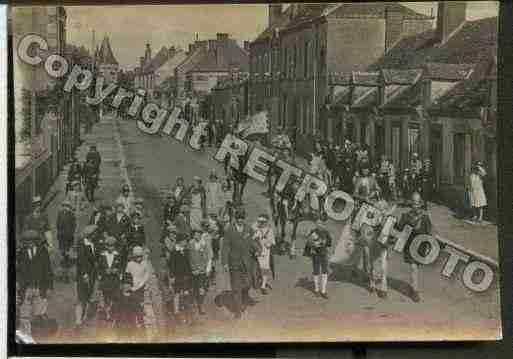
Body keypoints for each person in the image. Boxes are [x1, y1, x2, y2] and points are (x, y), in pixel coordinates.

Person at [221, 208, 262, 319]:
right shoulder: (230, 230)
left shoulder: (249, 229)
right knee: (236, 287)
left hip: (246, 262)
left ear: (244, 218)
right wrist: (224, 262)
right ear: (235, 218)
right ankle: (238, 310)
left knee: (248, 284)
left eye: (242, 218)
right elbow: (225, 246)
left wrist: (258, 250)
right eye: (238, 218)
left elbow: (255, 241)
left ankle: (244, 297)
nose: (240, 220)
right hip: (234, 263)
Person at [395, 192, 432, 302]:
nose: (415, 205)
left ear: (420, 204)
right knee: (413, 268)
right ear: (411, 204)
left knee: (416, 268)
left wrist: (429, 245)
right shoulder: (405, 216)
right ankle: (415, 291)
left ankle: (414, 286)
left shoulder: (425, 217)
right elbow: (399, 229)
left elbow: (429, 233)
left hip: (420, 246)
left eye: (417, 203)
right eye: (413, 203)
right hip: (409, 247)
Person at [17, 230, 54, 336]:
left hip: (40, 287)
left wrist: (49, 288)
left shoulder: (43, 251)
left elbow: (48, 270)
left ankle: (40, 333)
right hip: (26, 288)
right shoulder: (21, 253)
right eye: (26, 241)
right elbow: (18, 271)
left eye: (30, 241)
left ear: (35, 241)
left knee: (40, 313)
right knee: (24, 314)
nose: (28, 243)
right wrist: (19, 284)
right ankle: (26, 337)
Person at [75, 225, 98, 327]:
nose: (96, 235)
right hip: (83, 275)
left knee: (88, 296)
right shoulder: (82, 245)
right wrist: (84, 274)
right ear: (90, 235)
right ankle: (78, 320)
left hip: (92, 274)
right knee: (81, 297)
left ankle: (85, 318)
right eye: (95, 234)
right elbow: (81, 261)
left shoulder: (93, 244)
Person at [168, 234, 193, 323]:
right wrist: (172, 277)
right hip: (177, 276)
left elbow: (188, 264)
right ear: (180, 241)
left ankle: (186, 311)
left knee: (186, 293)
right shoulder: (174, 252)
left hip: (185, 276)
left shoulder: (186, 251)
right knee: (177, 293)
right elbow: (171, 266)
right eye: (184, 241)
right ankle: (176, 312)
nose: (186, 242)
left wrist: (189, 274)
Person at [188, 228, 213, 315]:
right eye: (195, 234)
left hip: (202, 270)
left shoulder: (204, 244)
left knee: (201, 288)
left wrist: (208, 269)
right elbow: (189, 258)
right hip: (193, 270)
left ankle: (201, 305)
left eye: (199, 234)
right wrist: (192, 269)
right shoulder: (190, 244)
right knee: (193, 288)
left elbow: (209, 257)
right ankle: (193, 304)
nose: (197, 236)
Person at [97, 235, 123, 321]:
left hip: (115, 280)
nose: (110, 248)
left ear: (115, 246)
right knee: (106, 297)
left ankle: (113, 312)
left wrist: (117, 270)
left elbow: (121, 267)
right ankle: (108, 313)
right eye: (108, 246)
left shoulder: (118, 255)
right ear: (106, 246)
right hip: (106, 280)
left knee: (115, 297)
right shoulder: (102, 255)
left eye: (112, 246)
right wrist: (104, 271)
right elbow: (99, 268)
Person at [124, 246, 151, 325]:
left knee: (140, 302)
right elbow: (127, 276)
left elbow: (146, 275)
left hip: (141, 286)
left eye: (140, 256)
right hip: (132, 286)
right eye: (137, 256)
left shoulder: (145, 264)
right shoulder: (130, 264)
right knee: (133, 303)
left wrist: (142, 284)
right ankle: (133, 320)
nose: (139, 258)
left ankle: (140, 320)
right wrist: (128, 287)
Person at [252, 214, 275, 294]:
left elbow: (272, 242)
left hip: (266, 252)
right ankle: (256, 282)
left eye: (263, 222)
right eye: (260, 222)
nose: (261, 223)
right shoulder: (255, 228)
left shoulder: (270, 230)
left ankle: (263, 285)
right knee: (256, 267)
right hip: (256, 251)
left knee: (265, 268)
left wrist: (268, 243)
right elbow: (251, 239)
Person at [56, 200, 76, 282]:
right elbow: (57, 224)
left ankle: (67, 274)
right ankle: (63, 271)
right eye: (64, 206)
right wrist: (59, 231)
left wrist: (71, 233)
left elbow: (74, 225)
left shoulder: (71, 215)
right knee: (62, 252)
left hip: (68, 237)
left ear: (69, 207)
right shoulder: (60, 214)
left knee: (67, 252)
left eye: (67, 206)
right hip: (61, 236)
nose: (66, 208)